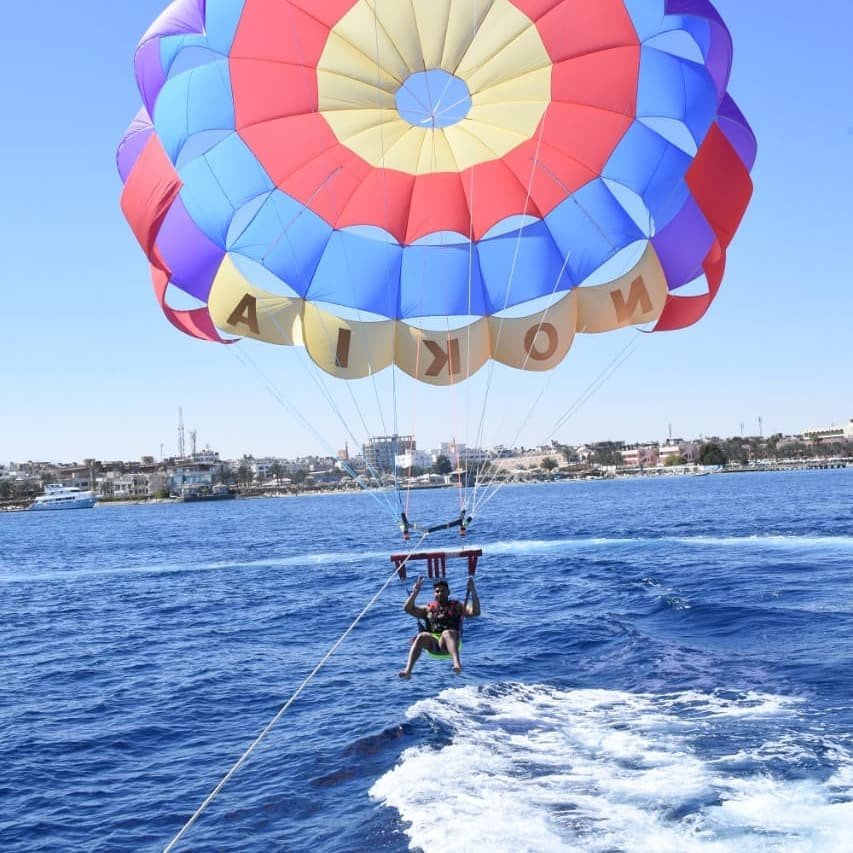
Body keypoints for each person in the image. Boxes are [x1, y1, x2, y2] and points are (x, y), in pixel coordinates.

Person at [398, 576, 480, 679]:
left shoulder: (457, 606)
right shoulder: (427, 609)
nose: (440, 593)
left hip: (452, 643)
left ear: (448, 592)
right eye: (437, 591)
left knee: (446, 633)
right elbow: (407, 609)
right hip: (433, 645)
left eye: (443, 591)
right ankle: (408, 670)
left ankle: (457, 664)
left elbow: (476, 612)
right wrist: (415, 592)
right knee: (421, 636)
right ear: (434, 593)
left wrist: (473, 591)